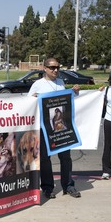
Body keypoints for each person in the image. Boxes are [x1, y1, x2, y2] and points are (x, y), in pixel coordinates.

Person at [27, 58, 81, 199]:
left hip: (61, 129)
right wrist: (34, 98)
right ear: (44, 68)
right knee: (45, 159)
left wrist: (73, 92)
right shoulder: (37, 85)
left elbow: (66, 101)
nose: (55, 70)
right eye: (52, 67)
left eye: (57, 67)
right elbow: (28, 104)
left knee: (66, 158)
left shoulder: (61, 82)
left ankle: (68, 185)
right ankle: (47, 187)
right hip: (45, 128)